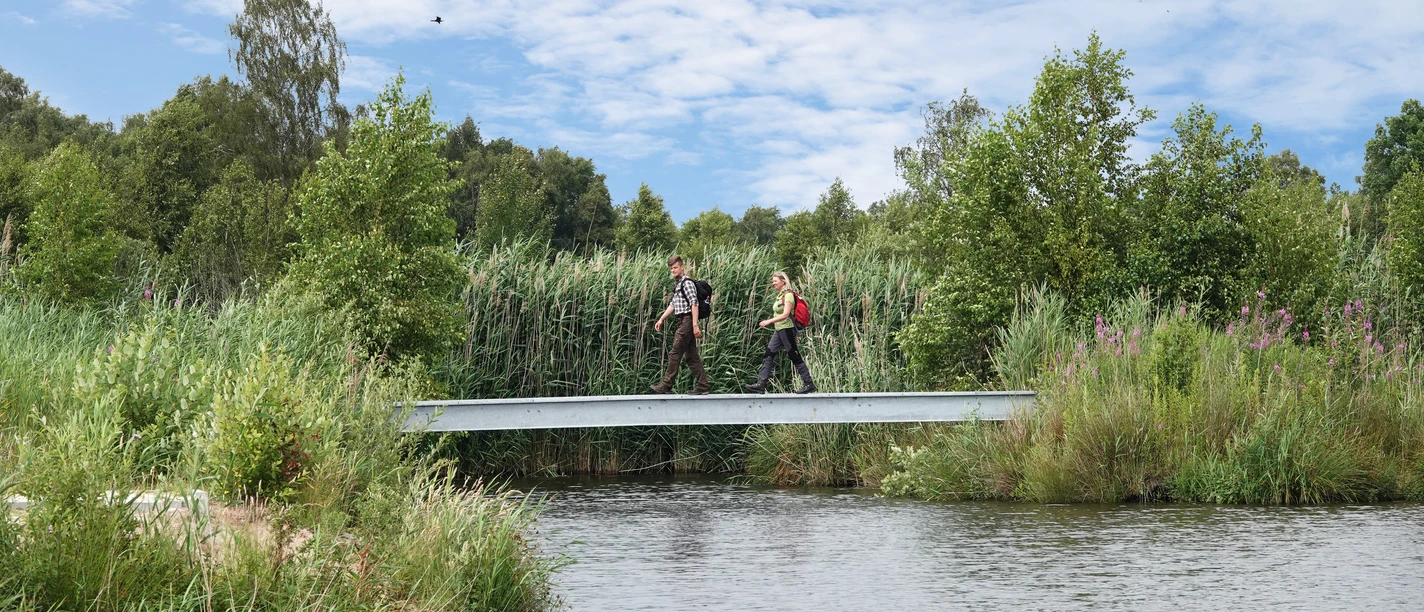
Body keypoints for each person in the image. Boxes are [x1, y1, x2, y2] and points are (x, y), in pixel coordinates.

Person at [745, 271, 815, 394]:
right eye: (773, 281)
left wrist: (768, 321)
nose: (773, 283)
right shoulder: (780, 295)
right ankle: (761, 384)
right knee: (768, 354)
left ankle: (808, 383)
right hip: (779, 330)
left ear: (783, 281)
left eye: (775, 281)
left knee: (794, 356)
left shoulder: (788, 295)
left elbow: (786, 314)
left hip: (786, 329)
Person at [651, 255, 710, 395]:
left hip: (687, 320)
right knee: (691, 356)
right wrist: (661, 319)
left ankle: (666, 385)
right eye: (671, 268)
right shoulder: (678, 284)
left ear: (682, 267)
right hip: (683, 320)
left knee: (675, 353)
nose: (673, 270)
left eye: (675, 267)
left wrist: (695, 325)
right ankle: (703, 386)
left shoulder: (687, 283)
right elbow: (673, 304)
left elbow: (694, 304)